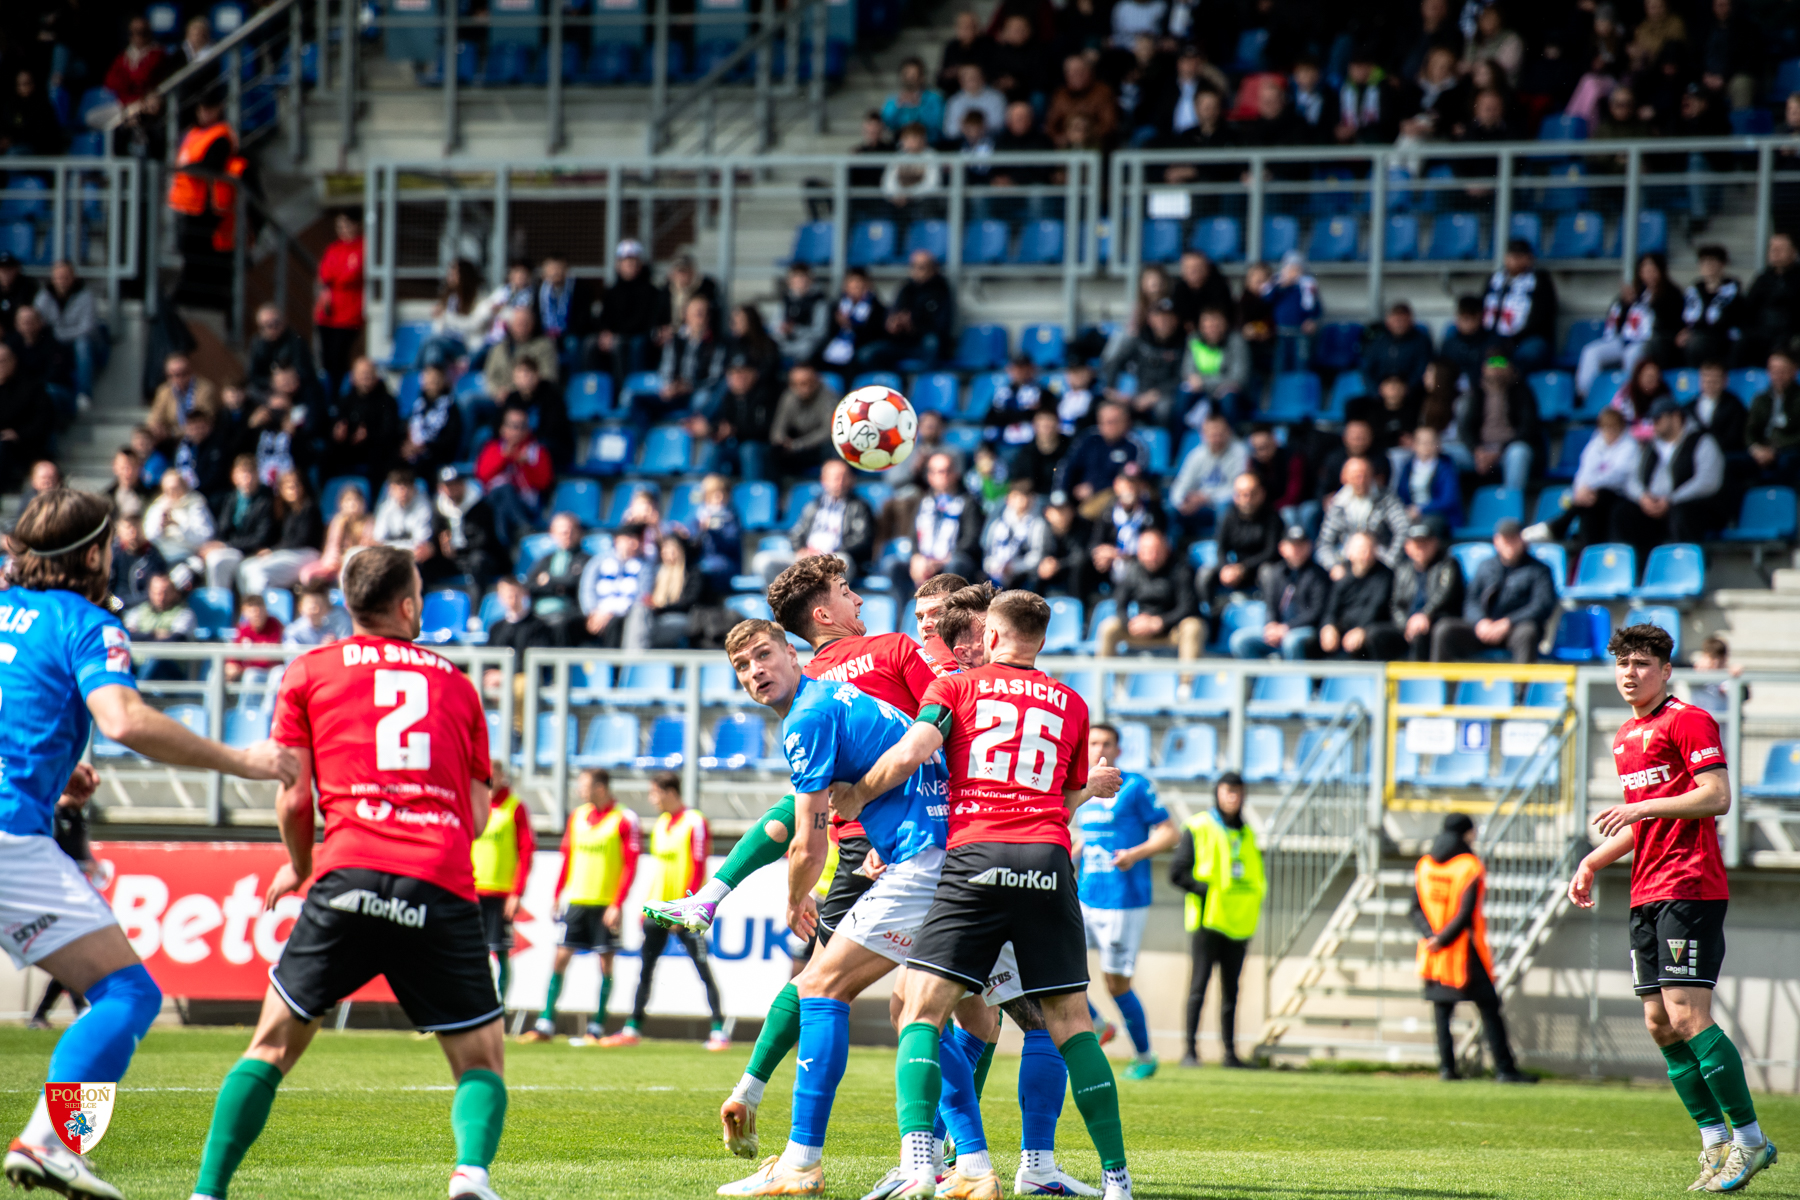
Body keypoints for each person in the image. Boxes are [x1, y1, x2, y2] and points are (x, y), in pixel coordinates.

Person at [186, 545, 507, 1199]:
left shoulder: (309, 670)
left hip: (347, 874)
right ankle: (469, 1173)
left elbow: (293, 797)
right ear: (408, 605)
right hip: (436, 880)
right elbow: (476, 817)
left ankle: (207, 1191)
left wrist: (299, 866)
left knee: (270, 1047)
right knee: (480, 1059)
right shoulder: (457, 684)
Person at [0, 491, 292, 1200]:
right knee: (126, 993)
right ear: (95, 553)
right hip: (9, 837)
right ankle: (55, 1140)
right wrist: (243, 761)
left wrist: (52, 769)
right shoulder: (87, 622)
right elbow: (125, 720)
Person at [836, 591, 1133, 1200]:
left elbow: (914, 751)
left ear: (991, 636)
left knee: (918, 1010)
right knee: (1072, 1023)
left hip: (975, 857)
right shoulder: (1073, 704)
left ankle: (921, 1165)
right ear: (1042, 641)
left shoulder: (956, 687)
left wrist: (859, 795)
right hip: (1049, 861)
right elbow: (1065, 801)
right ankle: (1116, 1180)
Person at [713, 619, 984, 1199]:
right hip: (955, 857)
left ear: (795, 655)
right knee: (923, 1013)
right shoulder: (836, 698)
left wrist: (795, 898)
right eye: (743, 666)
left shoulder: (807, 717)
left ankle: (801, 1164)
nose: (756, 671)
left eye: (764, 655)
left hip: (924, 861)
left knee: (819, 986)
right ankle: (974, 1168)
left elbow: (808, 843)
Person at [1569, 623, 1774, 1193]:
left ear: (1665, 670)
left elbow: (1717, 796)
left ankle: (1751, 1140)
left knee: (1687, 1016)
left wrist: (1642, 809)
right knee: (1660, 1024)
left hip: (1690, 885)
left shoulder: (1688, 720)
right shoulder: (1626, 737)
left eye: (1641, 664)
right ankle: (1714, 1141)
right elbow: (1642, 822)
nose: (1629, 673)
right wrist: (1592, 860)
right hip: (1647, 889)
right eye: (1622, 664)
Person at [595, 773, 730, 1051]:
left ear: (669, 791)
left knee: (702, 967)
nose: (651, 798)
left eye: (654, 792)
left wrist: (687, 908)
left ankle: (718, 1030)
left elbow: (698, 867)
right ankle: (633, 1027)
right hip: (659, 910)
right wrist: (647, 905)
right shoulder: (660, 824)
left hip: (685, 911)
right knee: (646, 969)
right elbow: (660, 871)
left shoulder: (695, 822)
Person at [1074, 724, 1176, 1080]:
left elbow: (1170, 832)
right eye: (1093, 742)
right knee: (1053, 966)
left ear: (1118, 750)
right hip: (1085, 896)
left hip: (1123, 900)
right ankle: (1097, 1024)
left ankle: (1145, 1056)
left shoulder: (1134, 786)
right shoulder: (1083, 787)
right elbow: (1089, 838)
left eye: (1107, 743)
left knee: (1116, 984)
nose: (1099, 748)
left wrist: (1134, 854)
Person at [519, 766, 639, 1045]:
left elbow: (630, 865)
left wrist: (617, 903)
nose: (579, 790)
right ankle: (545, 1023)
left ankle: (596, 1027)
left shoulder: (624, 818)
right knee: (560, 958)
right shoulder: (578, 816)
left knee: (605, 963)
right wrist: (557, 893)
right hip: (577, 901)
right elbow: (568, 856)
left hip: (605, 905)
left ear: (600, 787)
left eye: (583, 785)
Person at [1412, 813, 1528, 1083]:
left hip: (1434, 953)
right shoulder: (1469, 865)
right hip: (1465, 952)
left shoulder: (1425, 864)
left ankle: (1447, 1069)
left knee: (1442, 1012)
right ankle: (1505, 1069)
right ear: (1466, 833)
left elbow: (1414, 908)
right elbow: (1466, 913)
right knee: (1489, 1008)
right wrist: (1444, 939)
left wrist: (1433, 938)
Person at [1169, 771, 1262, 1068]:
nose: (1232, 797)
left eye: (1237, 791)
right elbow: (1177, 873)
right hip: (1207, 921)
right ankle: (1190, 1051)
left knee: (1231, 990)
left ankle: (1230, 1053)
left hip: (1238, 922)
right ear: (1217, 793)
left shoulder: (1248, 834)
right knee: (1199, 987)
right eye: (1227, 791)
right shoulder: (1197, 826)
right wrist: (1207, 892)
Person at [1431, 519, 1556, 663]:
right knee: (1444, 629)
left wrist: (1508, 622)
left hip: (1515, 628)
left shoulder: (1539, 570)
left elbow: (1541, 605)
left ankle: (1523, 679)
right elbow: (1471, 600)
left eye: (1513, 539)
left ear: (1522, 541)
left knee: (1528, 633)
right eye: (1505, 539)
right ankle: (1440, 677)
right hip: (1484, 628)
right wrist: (1480, 622)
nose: (1509, 544)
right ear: (1496, 541)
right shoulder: (1485, 566)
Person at [1523, 405, 1637, 553]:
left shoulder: (1630, 446)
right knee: (1589, 508)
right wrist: (1581, 489)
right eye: (1605, 428)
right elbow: (1583, 471)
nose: (1609, 432)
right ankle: (1585, 551)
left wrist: (1588, 488)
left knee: (1598, 495)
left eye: (1613, 428)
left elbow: (1616, 476)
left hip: (1621, 496)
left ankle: (1557, 527)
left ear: (1621, 427)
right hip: (1595, 497)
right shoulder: (1596, 443)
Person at [167, 91, 243, 312]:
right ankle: (191, 296)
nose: (204, 113)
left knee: (202, 254)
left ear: (219, 108)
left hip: (208, 205)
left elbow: (211, 166)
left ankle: (199, 298)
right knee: (190, 251)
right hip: (189, 204)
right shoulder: (193, 133)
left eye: (209, 108)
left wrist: (191, 168)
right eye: (201, 108)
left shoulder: (221, 134)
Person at [470, 762, 532, 1013]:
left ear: (502, 776)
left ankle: (498, 1010)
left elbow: (526, 851)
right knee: (470, 953)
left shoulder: (514, 808)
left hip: (500, 894)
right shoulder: (474, 803)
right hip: (472, 891)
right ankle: (472, 1008)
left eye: (492, 774)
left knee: (500, 952)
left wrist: (517, 892)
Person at [1577, 253, 1683, 400]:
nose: (1649, 274)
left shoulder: (1671, 293)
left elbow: (1672, 325)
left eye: (1652, 270)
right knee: (1591, 352)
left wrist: (1654, 303)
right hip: (1624, 339)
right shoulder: (1636, 292)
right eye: (1645, 270)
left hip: (1649, 342)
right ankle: (1585, 396)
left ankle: (1627, 397)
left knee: (1631, 354)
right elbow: (1616, 322)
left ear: (1661, 271)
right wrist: (1625, 303)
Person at [757, 459, 876, 584]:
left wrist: (828, 553)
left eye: (844, 477)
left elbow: (861, 540)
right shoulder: (813, 506)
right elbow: (796, 533)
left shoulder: (860, 506)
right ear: (824, 480)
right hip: (807, 557)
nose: (840, 482)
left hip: (834, 557)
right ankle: (783, 597)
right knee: (764, 560)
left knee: (843, 562)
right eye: (836, 478)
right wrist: (801, 550)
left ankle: (829, 597)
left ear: (851, 479)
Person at [1094, 527, 1204, 662]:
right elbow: (1120, 605)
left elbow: (1187, 607)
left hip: (1172, 629)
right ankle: (1104, 674)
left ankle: (1187, 676)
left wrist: (1159, 622)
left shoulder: (1181, 570)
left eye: (1157, 551)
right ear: (1139, 553)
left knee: (1193, 627)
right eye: (1147, 552)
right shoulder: (1132, 570)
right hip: (1140, 629)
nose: (1152, 556)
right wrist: (1131, 624)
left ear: (1167, 550)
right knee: (1108, 628)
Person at [1368, 518, 1464, 662]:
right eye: (1416, 543)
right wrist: (1405, 625)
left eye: (1425, 543)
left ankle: (1420, 677)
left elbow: (1444, 596)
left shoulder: (1448, 564)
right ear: (1407, 547)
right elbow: (1396, 605)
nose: (1421, 548)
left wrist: (1425, 614)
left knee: (1420, 632)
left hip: (1433, 622)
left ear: (1435, 543)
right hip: (1407, 626)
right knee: (1375, 635)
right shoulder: (1402, 570)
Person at [1232, 525, 1327, 660]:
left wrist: (1287, 627)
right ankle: (1258, 674)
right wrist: (1271, 624)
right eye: (1293, 545)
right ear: (1282, 548)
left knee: (1291, 641)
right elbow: (1270, 605)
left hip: (1305, 630)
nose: (1297, 549)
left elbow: (1316, 612)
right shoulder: (1276, 573)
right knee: (1241, 640)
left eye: (1301, 545)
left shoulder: (1319, 575)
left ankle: (1295, 674)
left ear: (1309, 546)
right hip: (1279, 630)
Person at [896, 452, 983, 597]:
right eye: (936, 471)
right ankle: (904, 609)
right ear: (929, 476)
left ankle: (951, 608)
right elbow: (914, 535)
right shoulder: (924, 502)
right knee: (893, 565)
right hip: (926, 560)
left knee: (956, 564)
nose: (942, 475)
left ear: (955, 473)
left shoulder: (968, 502)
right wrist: (916, 557)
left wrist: (940, 561)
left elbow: (971, 540)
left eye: (946, 471)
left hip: (952, 560)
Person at [1197, 473, 1280, 622]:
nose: (1246, 498)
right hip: (1236, 569)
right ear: (1235, 496)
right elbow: (1221, 547)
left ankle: (1271, 619)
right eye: (1241, 494)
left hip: (1259, 569)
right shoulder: (1229, 515)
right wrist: (1224, 568)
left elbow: (1271, 552)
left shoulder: (1273, 517)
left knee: (1268, 573)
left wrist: (1243, 568)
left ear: (1261, 494)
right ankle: (1213, 619)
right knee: (1205, 574)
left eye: (1251, 493)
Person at [1455, 353, 1540, 492]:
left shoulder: (1522, 391)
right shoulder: (1477, 392)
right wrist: (1477, 450)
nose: (1496, 368)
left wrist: (1499, 451)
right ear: (1484, 368)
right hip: (1480, 451)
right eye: (1492, 363)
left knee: (1518, 453)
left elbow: (1527, 428)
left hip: (1507, 450)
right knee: (1445, 453)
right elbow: (1466, 428)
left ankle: (1511, 501)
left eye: (1501, 363)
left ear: (1510, 367)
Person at [474, 405, 553, 547]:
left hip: (525, 505)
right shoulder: (492, 448)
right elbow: (482, 476)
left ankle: (503, 546)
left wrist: (526, 465)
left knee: (503, 506)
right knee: (504, 490)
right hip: (492, 502)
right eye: (514, 426)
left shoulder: (537, 451)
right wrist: (504, 458)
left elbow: (544, 483)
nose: (518, 431)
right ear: (502, 428)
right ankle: (524, 527)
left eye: (522, 426)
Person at [1315, 457, 1409, 574]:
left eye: (1365, 475)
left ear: (1372, 476)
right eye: (1355, 476)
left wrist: (1391, 560)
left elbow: (1403, 529)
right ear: (1344, 478)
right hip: (1346, 564)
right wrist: (1333, 566)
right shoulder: (1338, 504)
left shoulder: (1387, 500)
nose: (1361, 480)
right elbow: (1324, 542)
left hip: (1380, 563)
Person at [33, 261, 104, 411]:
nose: (62, 280)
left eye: (66, 276)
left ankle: (84, 394)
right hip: (54, 342)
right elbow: (37, 322)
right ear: (52, 278)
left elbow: (88, 328)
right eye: (58, 277)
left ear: (73, 277)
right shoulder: (44, 297)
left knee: (82, 344)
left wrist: (59, 335)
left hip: (84, 343)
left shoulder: (86, 296)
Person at [1480, 238, 1558, 372]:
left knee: (1528, 352)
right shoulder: (1495, 280)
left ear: (1530, 259)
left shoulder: (1540, 281)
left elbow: (1542, 317)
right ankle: (1495, 374)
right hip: (1496, 337)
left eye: (1520, 256)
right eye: (1512, 256)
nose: (1515, 260)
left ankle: (1512, 378)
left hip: (1525, 339)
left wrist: (1513, 339)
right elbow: (1483, 308)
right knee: (1482, 352)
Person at [1316, 532, 1395, 660]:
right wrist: (1328, 626)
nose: (1366, 554)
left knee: (1371, 636)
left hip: (1370, 629)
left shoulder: (1384, 576)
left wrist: (1361, 629)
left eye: (1369, 549)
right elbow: (1331, 609)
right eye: (1361, 550)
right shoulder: (1342, 576)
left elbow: (1376, 608)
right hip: (1344, 630)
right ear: (1349, 552)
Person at [314, 211, 366, 395]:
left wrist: (336, 277)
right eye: (340, 226)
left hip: (349, 312)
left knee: (339, 356)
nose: (343, 229)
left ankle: (340, 395)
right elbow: (324, 274)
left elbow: (351, 274)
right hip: (328, 312)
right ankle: (330, 396)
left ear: (357, 225)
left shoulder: (363, 246)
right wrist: (336, 277)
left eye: (347, 225)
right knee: (326, 359)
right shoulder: (334, 248)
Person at [578, 523, 650, 650]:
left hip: (625, 614)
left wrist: (611, 613)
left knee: (616, 623)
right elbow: (587, 589)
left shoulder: (644, 567)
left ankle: (612, 662)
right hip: (597, 614)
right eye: (629, 539)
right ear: (617, 540)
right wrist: (593, 612)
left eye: (637, 540)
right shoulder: (597, 562)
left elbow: (641, 596)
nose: (634, 544)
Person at [1170, 413, 1249, 524]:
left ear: (1229, 432)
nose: (1216, 439)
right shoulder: (1196, 455)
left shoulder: (1240, 453)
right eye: (1212, 434)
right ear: (1203, 435)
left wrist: (1206, 498)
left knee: (1225, 507)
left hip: (1222, 504)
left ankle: (1223, 536)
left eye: (1220, 434)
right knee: (1171, 509)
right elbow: (1181, 484)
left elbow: (1238, 490)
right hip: (1198, 505)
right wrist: (1182, 501)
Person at [1680, 245, 1744, 368]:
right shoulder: (1693, 292)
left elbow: (1727, 320)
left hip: (1722, 337)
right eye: (1704, 262)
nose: (1708, 266)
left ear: (1722, 265)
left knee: (1697, 343)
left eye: (1712, 262)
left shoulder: (1732, 292)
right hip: (1697, 335)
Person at [769, 364, 838, 477]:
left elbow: (828, 431)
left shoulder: (829, 398)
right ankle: (782, 485)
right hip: (795, 448)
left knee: (831, 448)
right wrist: (781, 442)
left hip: (817, 447)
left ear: (816, 381)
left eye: (808, 382)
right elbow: (778, 428)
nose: (804, 387)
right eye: (797, 384)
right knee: (773, 451)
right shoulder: (788, 397)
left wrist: (798, 444)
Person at [0, 343, 52, 488]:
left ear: (13, 361)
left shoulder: (31, 387)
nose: (0, 365)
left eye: (3, 361)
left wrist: (17, 434)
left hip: (22, 446)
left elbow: (44, 420)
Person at [1392, 425, 1463, 529]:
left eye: (1431, 442)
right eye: (1422, 442)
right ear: (1414, 445)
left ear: (1438, 444)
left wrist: (1421, 509)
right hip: (1412, 515)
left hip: (1440, 516)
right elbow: (1401, 495)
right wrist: (1407, 511)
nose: (1426, 446)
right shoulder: (1408, 467)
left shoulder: (1446, 467)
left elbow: (1448, 500)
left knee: (1427, 526)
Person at [1746, 349, 1800, 480]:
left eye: (1782, 371)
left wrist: (1775, 450)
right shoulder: (1761, 399)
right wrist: (1756, 449)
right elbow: (1750, 430)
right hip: (1762, 451)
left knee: (1787, 461)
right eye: (1774, 370)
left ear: (1793, 371)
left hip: (1788, 451)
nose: (1778, 375)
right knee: (1733, 462)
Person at [1362, 301, 1434, 392]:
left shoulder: (1421, 342)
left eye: (1402, 320)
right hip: (1381, 393)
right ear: (1388, 321)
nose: (1399, 324)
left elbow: (1422, 370)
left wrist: (1405, 390)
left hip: (1412, 393)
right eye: (1396, 320)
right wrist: (1378, 391)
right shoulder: (1378, 342)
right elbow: (1367, 370)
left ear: (1410, 321)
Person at [283, 583, 351, 647]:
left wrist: (333, 647)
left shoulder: (332, 630)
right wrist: (321, 650)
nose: (317, 611)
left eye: (321, 607)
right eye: (312, 608)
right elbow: (292, 655)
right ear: (301, 607)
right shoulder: (294, 632)